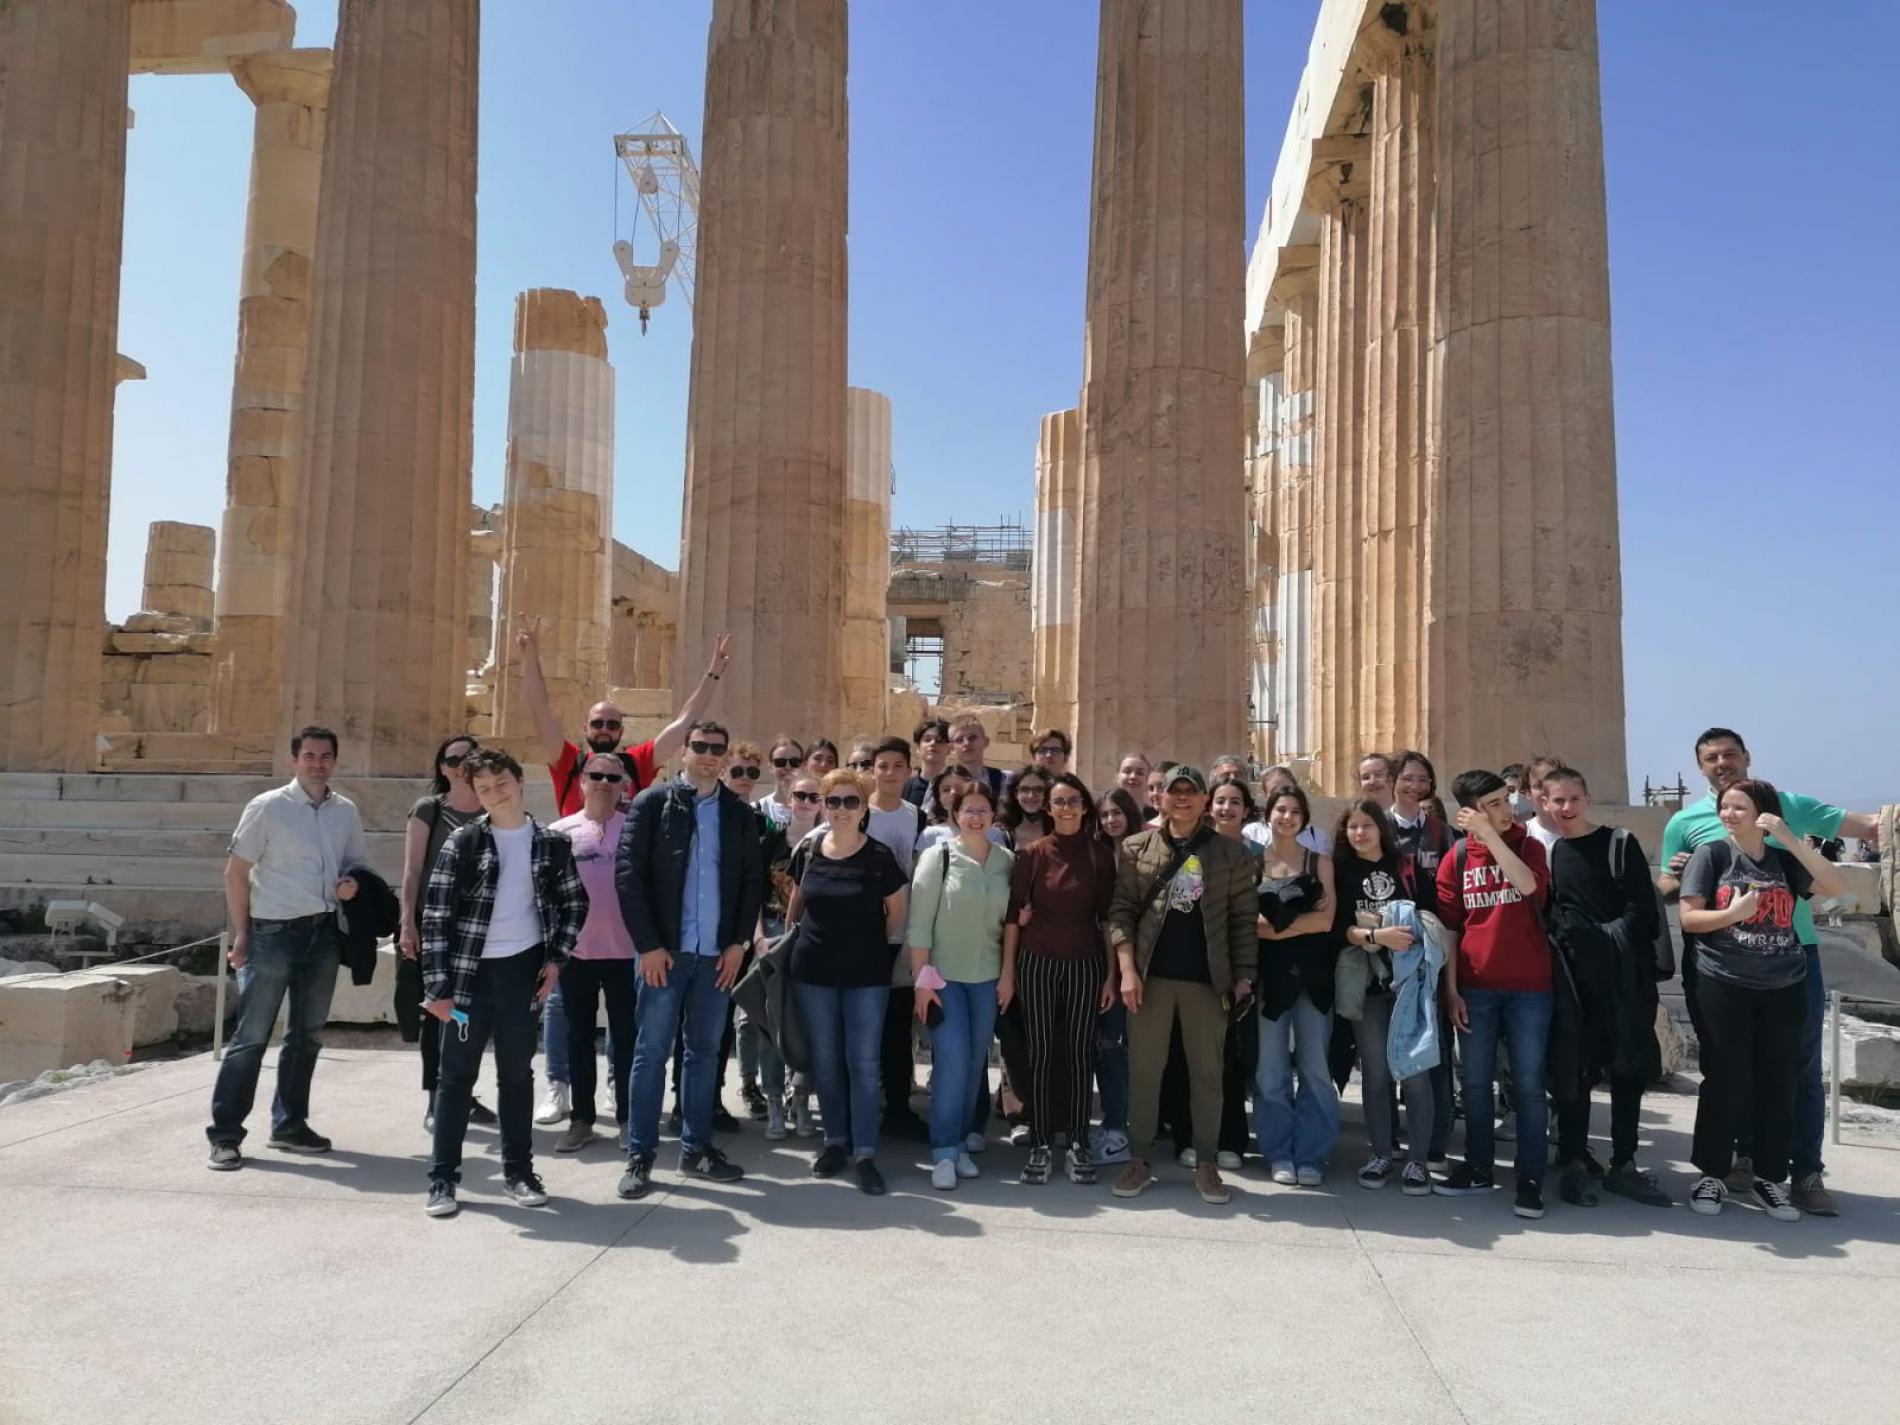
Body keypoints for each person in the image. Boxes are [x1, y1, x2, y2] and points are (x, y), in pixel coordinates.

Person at [1659, 726, 1877, 1216]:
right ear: (1700, 767)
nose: (1722, 763)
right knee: (1728, 1071)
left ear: (1747, 757)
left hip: (1791, 964)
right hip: (1721, 968)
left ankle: (1797, 1173)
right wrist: (1683, 879)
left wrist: (1789, 837)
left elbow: (1850, 854)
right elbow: (1671, 890)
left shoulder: (1786, 812)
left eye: (1729, 754)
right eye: (1711, 757)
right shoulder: (1692, 828)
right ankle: (1728, 1167)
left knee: (1792, 1073)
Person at [419, 750, 584, 1218]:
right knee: (455, 1078)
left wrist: (556, 961)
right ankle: (442, 1179)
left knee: (516, 1075)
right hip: (468, 981)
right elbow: (435, 917)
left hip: (521, 977)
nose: (495, 793)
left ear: (519, 781)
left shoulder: (550, 843)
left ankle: (520, 1172)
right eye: (485, 788)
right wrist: (437, 989)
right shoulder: (463, 842)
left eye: (502, 783)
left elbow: (575, 903)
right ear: (476, 793)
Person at [1679, 779, 1845, 1220]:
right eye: (1724, 807)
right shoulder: (1711, 855)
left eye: (1739, 807)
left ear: (1764, 813)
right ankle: (1711, 1175)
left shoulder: (1784, 860)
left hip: (1783, 985)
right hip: (1722, 982)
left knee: (1779, 1082)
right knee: (1724, 1078)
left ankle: (1770, 1178)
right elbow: (1690, 918)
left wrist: (1788, 838)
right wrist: (1732, 914)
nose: (1728, 814)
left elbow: (1835, 885)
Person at [206, 726, 370, 1170]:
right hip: (273, 933)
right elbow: (235, 872)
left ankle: (289, 1124)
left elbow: (355, 862)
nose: (318, 763)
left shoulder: (345, 811)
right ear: (294, 760)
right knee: (251, 1038)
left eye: (326, 756)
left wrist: (352, 882)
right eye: (310, 755)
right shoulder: (267, 807)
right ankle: (225, 1135)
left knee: (307, 1036)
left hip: (324, 933)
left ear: (335, 761)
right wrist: (242, 933)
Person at [614, 721, 764, 1199]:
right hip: (665, 953)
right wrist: (648, 945)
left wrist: (739, 943)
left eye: (717, 748)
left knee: (703, 1054)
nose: (708, 755)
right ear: (683, 751)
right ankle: (640, 1155)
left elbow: (751, 881)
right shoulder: (651, 804)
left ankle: (696, 1148)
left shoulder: (739, 813)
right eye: (700, 746)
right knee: (651, 1053)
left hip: (716, 954)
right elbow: (628, 876)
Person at [1107, 766, 1257, 1205]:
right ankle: (1139, 1159)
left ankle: (1207, 1163)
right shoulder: (1136, 847)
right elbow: (1121, 912)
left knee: (1207, 1075)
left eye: (1193, 792)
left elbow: (1242, 921)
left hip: (1207, 981)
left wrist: (1244, 977)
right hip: (1150, 978)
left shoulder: (1231, 853)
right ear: (1161, 799)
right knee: (1145, 1073)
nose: (1184, 798)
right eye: (1176, 791)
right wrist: (1127, 970)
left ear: (1205, 799)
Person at [1540, 767, 1672, 1208]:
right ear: (1545, 803)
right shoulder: (1554, 852)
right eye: (1558, 800)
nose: (1566, 808)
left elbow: (1641, 910)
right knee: (1576, 1071)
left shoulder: (1619, 843)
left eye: (1573, 799)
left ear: (1588, 798)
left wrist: (1602, 940)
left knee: (1628, 1071)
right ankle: (1575, 1158)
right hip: (1576, 983)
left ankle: (1625, 1163)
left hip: (1623, 980)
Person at [1434, 769, 1556, 1220]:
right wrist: (1451, 990)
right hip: (1475, 986)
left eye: (1506, 799)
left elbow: (1528, 887)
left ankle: (1530, 1179)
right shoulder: (1456, 857)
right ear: (1469, 812)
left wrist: (1492, 836)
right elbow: (1450, 929)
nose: (1507, 810)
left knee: (1528, 1085)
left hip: (1530, 988)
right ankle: (1479, 1168)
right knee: (1474, 1083)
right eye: (1494, 805)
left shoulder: (1529, 846)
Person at [786, 769, 910, 1195]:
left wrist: (875, 948)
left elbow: (896, 913)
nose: (841, 809)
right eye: (834, 801)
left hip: (866, 975)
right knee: (826, 1061)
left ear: (863, 808)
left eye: (850, 801)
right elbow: (798, 899)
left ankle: (865, 1153)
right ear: (824, 805)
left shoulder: (879, 856)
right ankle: (835, 1141)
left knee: (863, 1063)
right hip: (813, 972)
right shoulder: (810, 849)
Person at [1005, 772, 1117, 1185]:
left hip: (1085, 963)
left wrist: (1110, 976)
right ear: (1049, 809)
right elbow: (1014, 917)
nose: (1066, 808)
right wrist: (1008, 973)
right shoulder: (1031, 855)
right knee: (1040, 1051)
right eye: (1059, 802)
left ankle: (1077, 1141)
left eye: (1073, 801)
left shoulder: (1099, 856)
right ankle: (1039, 1141)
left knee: (1079, 1054)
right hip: (1037, 963)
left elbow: (1106, 919)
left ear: (1084, 807)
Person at [513, 614, 732, 819]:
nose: (604, 729)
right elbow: (540, 710)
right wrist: (529, 658)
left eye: (612, 724)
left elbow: (684, 721)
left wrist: (713, 674)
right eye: (597, 723)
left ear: (621, 731)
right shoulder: (567, 762)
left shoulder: (636, 763)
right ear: (585, 729)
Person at [908, 780, 1014, 1190]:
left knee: (974, 1065)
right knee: (951, 1063)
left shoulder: (1006, 861)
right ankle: (944, 1152)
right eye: (968, 809)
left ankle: (962, 1141)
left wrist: (1008, 975)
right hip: (944, 979)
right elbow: (920, 925)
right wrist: (922, 983)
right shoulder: (938, 857)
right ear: (955, 815)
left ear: (994, 815)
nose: (975, 817)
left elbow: (1011, 924)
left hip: (987, 978)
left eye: (983, 809)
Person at [1331, 799, 1437, 1197]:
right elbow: (1337, 928)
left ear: (1381, 829)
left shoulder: (1407, 868)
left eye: (1367, 825)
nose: (1360, 833)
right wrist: (1377, 936)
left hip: (1410, 985)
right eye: (1353, 827)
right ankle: (1380, 1154)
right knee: (1375, 1075)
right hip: (1368, 987)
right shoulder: (1340, 872)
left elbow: (1432, 919)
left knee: (1415, 1074)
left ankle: (1418, 1161)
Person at [397, 735, 495, 1133]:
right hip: (436, 926)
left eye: (468, 757)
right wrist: (407, 922)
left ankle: (462, 1093)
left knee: (470, 1015)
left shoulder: (493, 807)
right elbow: (412, 870)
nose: (461, 765)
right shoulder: (429, 809)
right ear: (442, 767)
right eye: (453, 759)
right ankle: (436, 1098)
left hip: (483, 928)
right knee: (440, 1013)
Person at [549, 753, 641, 1155]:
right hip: (577, 954)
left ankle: (628, 1120)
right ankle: (581, 1120)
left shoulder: (636, 830)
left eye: (612, 777)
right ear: (582, 781)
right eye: (596, 775)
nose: (604, 782)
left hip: (627, 953)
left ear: (624, 786)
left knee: (627, 1039)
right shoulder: (558, 832)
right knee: (578, 1038)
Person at [1253, 785, 1341, 1186]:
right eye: (1280, 810)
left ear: (1304, 819)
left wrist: (1275, 927)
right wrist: (1301, 924)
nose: (1287, 817)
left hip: (1313, 978)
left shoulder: (1320, 862)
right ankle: (1278, 1153)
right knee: (1270, 1072)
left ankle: (1311, 1155)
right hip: (1269, 979)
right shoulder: (1253, 862)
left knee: (1316, 1070)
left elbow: (1326, 921)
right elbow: (1247, 924)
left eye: (1295, 811)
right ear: (1268, 814)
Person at [1389, 750, 1455, 1166]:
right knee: (1387, 1049)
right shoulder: (1376, 827)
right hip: (1389, 949)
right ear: (1393, 780)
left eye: (1423, 779)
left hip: (1432, 952)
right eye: (1408, 778)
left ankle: (1434, 1144)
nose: (1415, 786)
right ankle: (1388, 1140)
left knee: (1435, 1049)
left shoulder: (1441, 833)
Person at [759, 771, 825, 1138]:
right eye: (800, 795)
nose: (806, 803)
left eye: (814, 797)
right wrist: (758, 939)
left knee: (806, 1024)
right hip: (771, 934)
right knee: (770, 1022)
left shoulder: (827, 843)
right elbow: (752, 895)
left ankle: (799, 1099)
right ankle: (773, 1100)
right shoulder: (769, 843)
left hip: (811, 938)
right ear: (788, 799)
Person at [1203, 775, 1261, 1169]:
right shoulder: (1197, 849)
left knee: (1234, 1056)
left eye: (1234, 801)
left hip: (1247, 960)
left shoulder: (1260, 854)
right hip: (1205, 962)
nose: (1227, 808)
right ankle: (1198, 1136)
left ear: (1246, 809)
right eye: (1220, 801)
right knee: (1200, 1057)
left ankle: (1232, 1139)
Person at [1090, 788, 1145, 1165]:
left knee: (1116, 1047)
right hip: (1099, 961)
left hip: (1133, 963)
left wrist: (1117, 974)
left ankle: (1119, 1130)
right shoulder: (1096, 855)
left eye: (1117, 813)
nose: (1111, 820)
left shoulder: (1144, 855)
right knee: (1106, 1046)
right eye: (1105, 814)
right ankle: (1114, 1125)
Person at [1245, 765, 1332, 856]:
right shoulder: (1252, 833)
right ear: (1265, 795)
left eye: (1287, 789)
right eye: (1274, 792)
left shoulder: (1318, 840)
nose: (1282, 796)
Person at [948, 715, 1006, 798]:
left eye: (972, 738)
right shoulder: (941, 782)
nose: (966, 743)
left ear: (985, 741)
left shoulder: (1003, 780)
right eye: (959, 740)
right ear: (951, 748)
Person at [756, 735, 806, 829]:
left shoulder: (815, 808)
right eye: (780, 762)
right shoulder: (758, 809)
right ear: (770, 767)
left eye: (795, 762)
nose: (787, 767)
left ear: (803, 766)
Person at [999, 765, 1055, 848]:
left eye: (1038, 790)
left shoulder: (1057, 828)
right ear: (1016, 793)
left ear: (1047, 793)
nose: (1031, 796)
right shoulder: (1002, 831)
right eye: (1024, 789)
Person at [904, 718, 952, 808]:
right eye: (927, 739)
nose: (933, 743)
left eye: (939, 740)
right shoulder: (904, 789)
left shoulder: (957, 789)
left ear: (950, 749)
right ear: (918, 748)